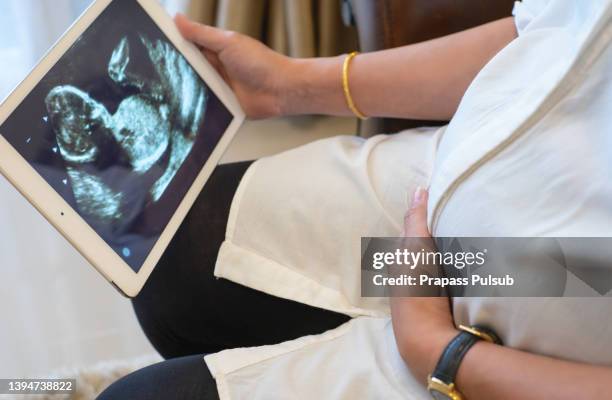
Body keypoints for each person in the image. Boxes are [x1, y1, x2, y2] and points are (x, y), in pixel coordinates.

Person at [99, 0, 612, 399]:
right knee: (175, 262)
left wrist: (440, 353)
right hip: (445, 203)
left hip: (564, 286)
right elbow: (548, 32)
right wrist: (291, 85)